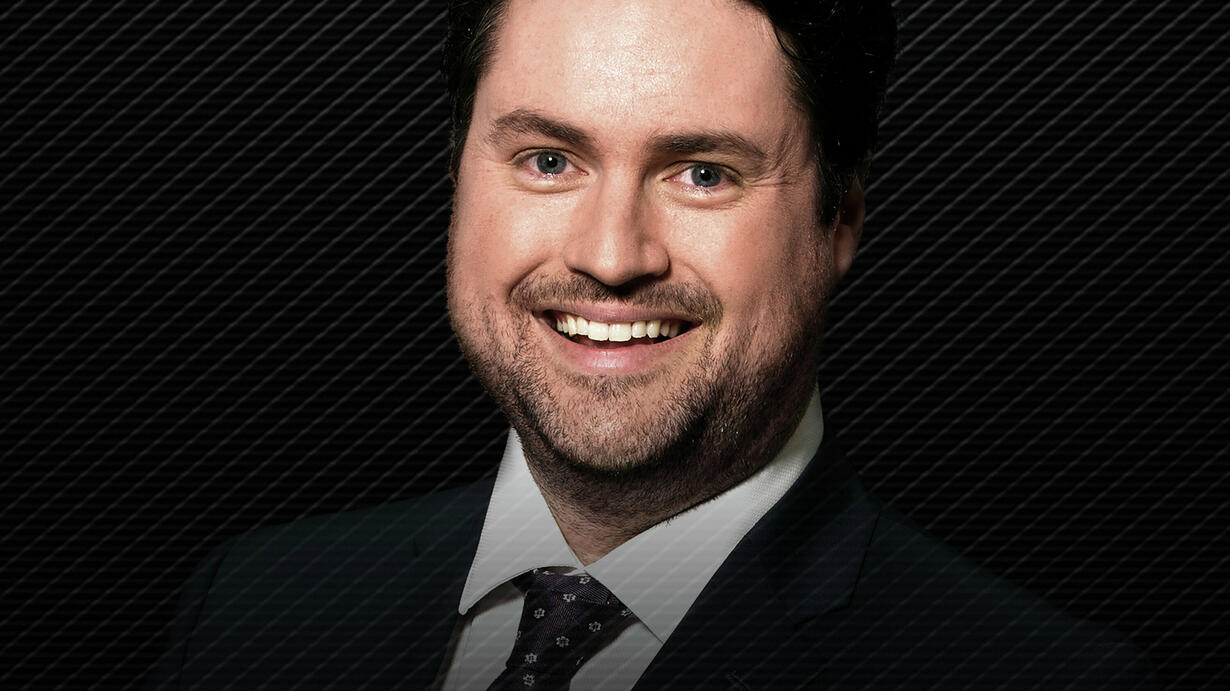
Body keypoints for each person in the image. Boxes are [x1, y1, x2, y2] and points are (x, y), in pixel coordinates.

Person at [148, 0, 1157, 688]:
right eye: (549, 160)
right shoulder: (252, 611)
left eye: (703, 173)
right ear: (458, 174)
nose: (610, 255)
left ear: (840, 219)